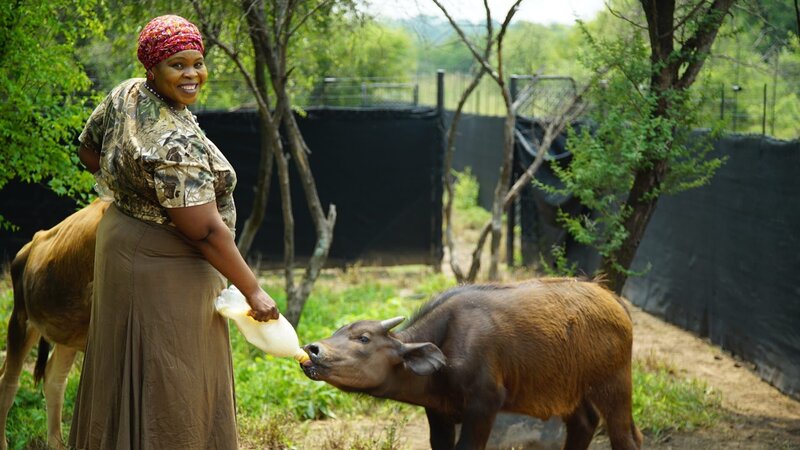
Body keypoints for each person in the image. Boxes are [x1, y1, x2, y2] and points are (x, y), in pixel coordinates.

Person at [68, 15, 278, 449]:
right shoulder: (173, 142)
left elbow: (89, 152)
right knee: (177, 374)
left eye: (197, 62)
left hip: (120, 239)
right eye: (176, 65)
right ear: (152, 68)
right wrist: (253, 290)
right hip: (168, 262)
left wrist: (132, 191)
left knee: (123, 362)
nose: (191, 74)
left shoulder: (125, 94)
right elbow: (204, 233)